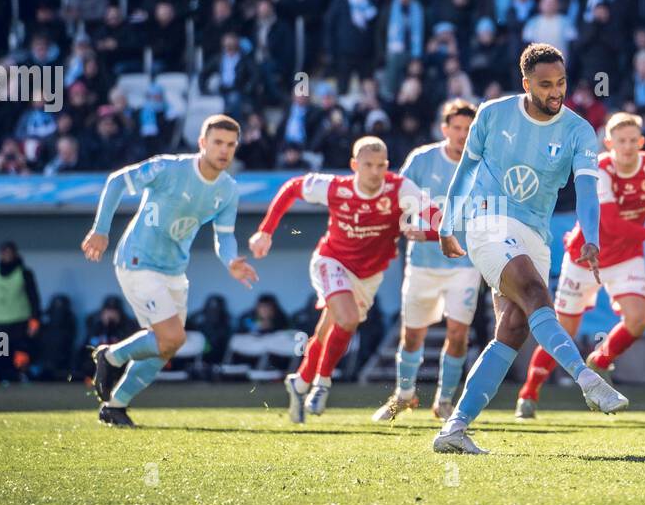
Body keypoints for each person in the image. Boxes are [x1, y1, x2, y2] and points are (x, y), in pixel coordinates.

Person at [431, 43, 627, 454]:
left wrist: (590, 236)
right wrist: (448, 224)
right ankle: (587, 379)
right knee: (537, 294)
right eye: (545, 85)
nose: (556, 92)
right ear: (526, 84)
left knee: (515, 328)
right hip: (488, 218)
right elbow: (466, 171)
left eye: (561, 83)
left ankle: (455, 427)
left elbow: (587, 190)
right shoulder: (492, 113)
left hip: (536, 233)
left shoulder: (578, 129)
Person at [515, 112, 645, 418]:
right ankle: (529, 392)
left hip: (626, 256)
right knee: (563, 331)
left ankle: (600, 360)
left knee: (638, 319)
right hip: (586, 256)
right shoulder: (599, 169)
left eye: (632, 141)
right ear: (609, 143)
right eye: (620, 141)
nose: (626, 147)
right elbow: (610, 225)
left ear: (641, 142)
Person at [81, 115, 258, 427]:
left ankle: (115, 405)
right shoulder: (169, 168)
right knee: (172, 336)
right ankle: (111, 357)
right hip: (137, 260)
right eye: (217, 142)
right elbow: (117, 181)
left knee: (168, 346)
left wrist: (230, 260)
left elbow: (225, 235)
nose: (224, 150)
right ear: (202, 143)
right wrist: (100, 230)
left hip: (174, 269)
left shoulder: (228, 189)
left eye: (231, 145)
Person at [249, 136, 440, 423]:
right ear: (354, 165)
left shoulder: (400, 189)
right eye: (367, 165)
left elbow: (440, 219)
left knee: (327, 331)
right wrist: (265, 231)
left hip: (369, 276)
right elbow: (292, 188)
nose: (375, 172)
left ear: (387, 166)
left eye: (380, 165)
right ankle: (322, 384)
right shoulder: (335, 187)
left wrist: (429, 234)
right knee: (348, 319)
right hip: (331, 260)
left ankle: (299, 383)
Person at [373, 99, 484, 423]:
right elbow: (397, 199)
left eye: (468, 129)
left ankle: (445, 400)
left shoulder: (482, 165)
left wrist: (433, 232)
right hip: (421, 264)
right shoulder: (421, 159)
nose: (463, 135)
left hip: (464, 264)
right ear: (444, 128)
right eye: (457, 128)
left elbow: (480, 219)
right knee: (412, 336)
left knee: (458, 333)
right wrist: (404, 224)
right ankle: (404, 395)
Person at [0, 241, 42, 382]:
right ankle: (3, 378)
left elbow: (34, 298)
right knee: (1, 353)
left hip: (19, 321)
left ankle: (22, 376)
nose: (7, 255)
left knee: (21, 352)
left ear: (15, 254)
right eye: (4, 252)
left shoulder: (24, 273)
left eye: (10, 252)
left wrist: (35, 320)